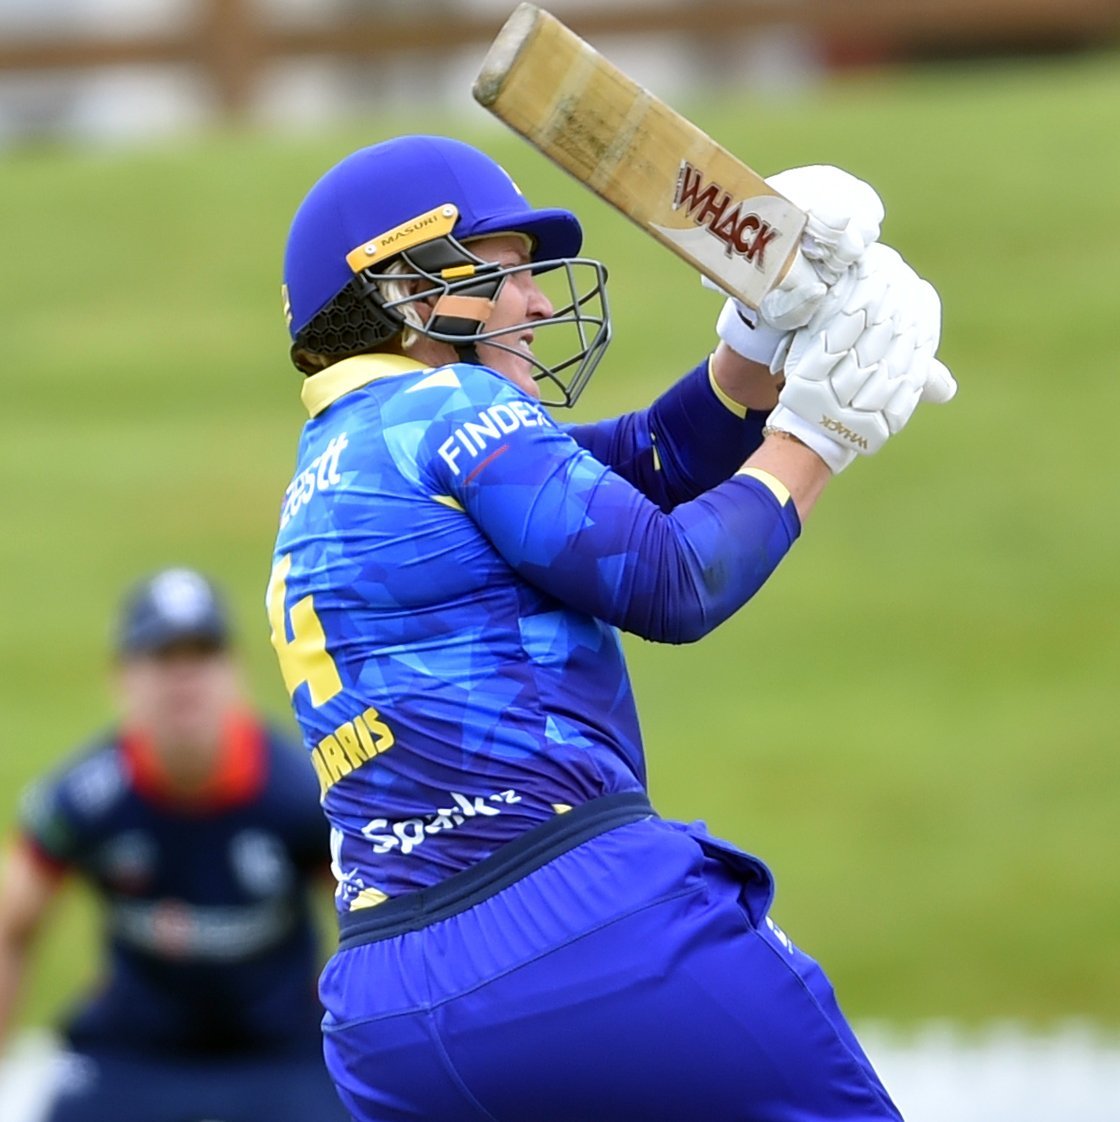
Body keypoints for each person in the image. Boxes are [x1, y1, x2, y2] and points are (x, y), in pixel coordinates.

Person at [269, 135, 956, 1122]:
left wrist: (760, 344)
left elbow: (648, 462)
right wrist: (819, 437)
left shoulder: (338, 467)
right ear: (409, 289)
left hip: (386, 1011)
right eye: (506, 276)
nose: (542, 304)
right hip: (579, 932)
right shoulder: (450, 406)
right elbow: (672, 578)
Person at [0, 568, 351, 1122]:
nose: (184, 680)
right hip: (131, 1057)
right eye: (163, 659)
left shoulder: (299, 794)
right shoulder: (88, 799)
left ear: (233, 671)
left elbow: (378, 922)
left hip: (280, 1058)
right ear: (123, 678)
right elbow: (12, 923)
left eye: (202, 655)